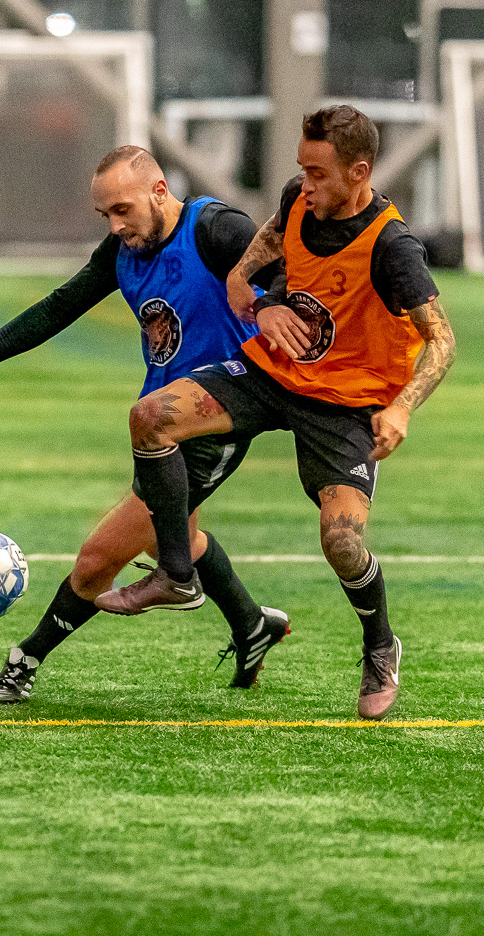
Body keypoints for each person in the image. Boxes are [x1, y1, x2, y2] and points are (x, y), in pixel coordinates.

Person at [109, 105, 456, 720]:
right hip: (274, 374)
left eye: (320, 173)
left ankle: (381, 645)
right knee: (150, 417)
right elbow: (258, 256)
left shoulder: (393, 245)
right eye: (302, 169)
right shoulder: (300, 197)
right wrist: (253, 294)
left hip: (347, 403)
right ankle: (175, 572)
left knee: (341, 542)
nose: (306, 182)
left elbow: (443, 339)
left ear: (360, 172)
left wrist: (401, 408)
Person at [0, 146, 290, 703]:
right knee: (181, 533)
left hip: (213, 422)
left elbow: (289, 282)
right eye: (106, 216)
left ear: (160, 191)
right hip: (158, 428)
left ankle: (25, 658)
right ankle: (251, 624)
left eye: (124, 210)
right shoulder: (123, 251)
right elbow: (59, 307)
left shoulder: (217, 229)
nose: (117, 226)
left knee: (100, 556)